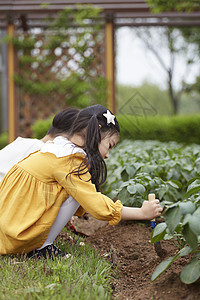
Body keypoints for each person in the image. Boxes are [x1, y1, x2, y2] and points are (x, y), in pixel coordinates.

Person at [0, 105, 163, 259]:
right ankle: (41, 248)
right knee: (75, 194)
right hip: (16, 236)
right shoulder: (70, 161)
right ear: (97, 133)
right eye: (110, 145)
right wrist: (142, 213)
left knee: (74, 192)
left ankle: (39, 243)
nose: (107, 155)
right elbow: (97, 205)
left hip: (7, 228)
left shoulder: (57, 148)